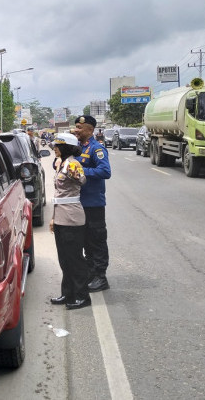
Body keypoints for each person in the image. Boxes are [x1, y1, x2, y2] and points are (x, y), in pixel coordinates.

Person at [49, 133, 90, 310]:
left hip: (72, 218)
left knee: (75, 259)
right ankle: (68, 293)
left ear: (67, 147)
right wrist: (53, 218)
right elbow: (58, 195)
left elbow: (82, 181)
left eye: (58, 145)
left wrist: (74, 171)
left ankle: (82, 296)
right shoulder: (62, 164)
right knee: (64, 259)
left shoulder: (72, 164)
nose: (55, 148)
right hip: (61, 217)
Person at [72, 115, 112, 292]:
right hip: (79, 202)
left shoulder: (97, 149)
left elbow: (105, 171)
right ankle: (90, 272)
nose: (76, 130)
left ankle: (100, 277)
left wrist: (81, 170)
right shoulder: (78, 148)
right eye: (76, 127)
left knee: (97, 240)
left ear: (90, 130)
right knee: (86, 240)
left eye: (79, 128)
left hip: (94, 204)